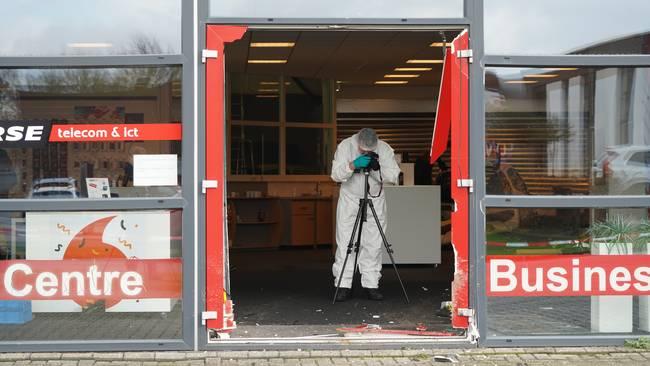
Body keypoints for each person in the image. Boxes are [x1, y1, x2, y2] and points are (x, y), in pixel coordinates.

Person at [330, 128, 401, 301]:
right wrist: (352, 165)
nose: (367, 152)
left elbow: (393, 176)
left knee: (374, 242)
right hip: (350, 199)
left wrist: (376, 169)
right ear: (357, 144)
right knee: (347, 241)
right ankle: (343, 284)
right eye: (363, 150)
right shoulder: (345, 146)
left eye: (370, 151)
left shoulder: (384, 149)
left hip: (374, 199)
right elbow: (335, 175)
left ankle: (371, 284)